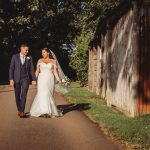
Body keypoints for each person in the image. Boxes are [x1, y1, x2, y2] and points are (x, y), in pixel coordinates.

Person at [30, 48, 63, 118]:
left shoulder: (53, 61)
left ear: (48, 53)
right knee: (43, 93)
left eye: (44, 52)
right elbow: (37, 71)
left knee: (49, 94)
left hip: (50, 79)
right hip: (41, 79)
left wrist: (59, 80)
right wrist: (34, 79)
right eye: (42, 53)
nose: (42, 54)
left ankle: (48, 111)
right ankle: (44, 111)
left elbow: (55, 72)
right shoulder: (40, 60)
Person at [9, 44, 36, 118]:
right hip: (16, 79)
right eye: (26, 50)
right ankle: (19, 109)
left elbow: (31, 69)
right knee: (17, 96)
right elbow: (11, 68)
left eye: (28, 50)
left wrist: (33, 79)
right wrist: (11, 79)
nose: (27, 51)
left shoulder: (29, 58)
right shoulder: (14, 57)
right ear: (21, 48)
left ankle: (22, 111)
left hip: (25, 79)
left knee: (23, 95)